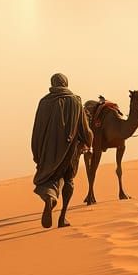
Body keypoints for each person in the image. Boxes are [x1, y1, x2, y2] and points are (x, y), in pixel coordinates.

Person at [31, 72, 92, 229]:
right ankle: (62, 217)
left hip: (47, 150)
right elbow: (84, 128)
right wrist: (87, 142)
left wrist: (37, 152)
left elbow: (37, 129)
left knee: (50, 178)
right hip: (70, 150)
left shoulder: (44, 102)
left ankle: (50, 198)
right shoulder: (75, 100)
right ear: (65, 83)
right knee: (69, 180)